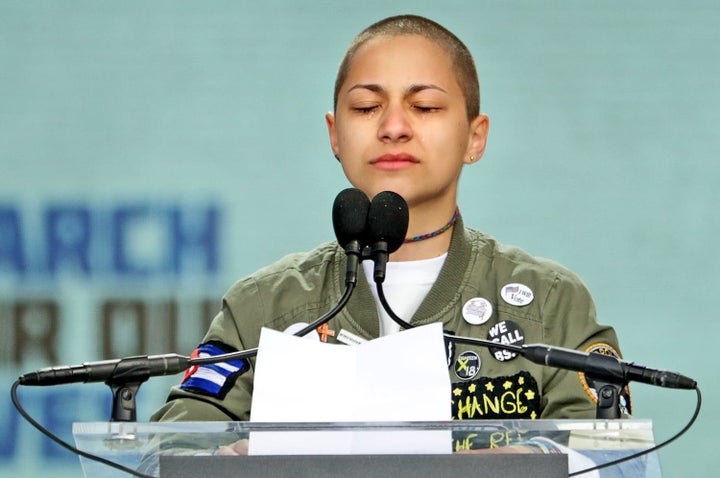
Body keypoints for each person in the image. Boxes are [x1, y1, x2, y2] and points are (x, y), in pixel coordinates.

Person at [151, 14, 629, 430]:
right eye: (366, 107)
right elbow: (177, 439)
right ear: (335, 135)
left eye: (424, 107)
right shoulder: (264, 307)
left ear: (474, 137)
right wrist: (219, 459)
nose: (394, 126)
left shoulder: (549, 304)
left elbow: (609, 455)